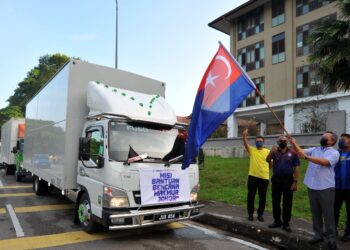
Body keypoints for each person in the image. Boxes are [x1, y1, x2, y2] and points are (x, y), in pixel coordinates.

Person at [289, 131, 339, 250]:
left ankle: (331, 238)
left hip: (326, 187)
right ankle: (318, 235)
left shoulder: (334, 153)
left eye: (324, 137)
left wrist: (306, 157)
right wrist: (294, 143)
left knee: (328, 215)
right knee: (315, 213)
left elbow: (324, 162)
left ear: (331, 141)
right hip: (312, 186)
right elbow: (300, 152)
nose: (322, 137)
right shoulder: (316, 149)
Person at [266, 135, 300, 232]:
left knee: (287, 201)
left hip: (288, 179)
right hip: (276, 179)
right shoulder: (274, 151)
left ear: (287, 142)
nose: (283, 142)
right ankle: (277, 221)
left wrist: (295, 182)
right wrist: (271, 152)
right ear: (278, 142)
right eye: (281, 141)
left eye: (284, 141)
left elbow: (296, 168)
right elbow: (267, 160)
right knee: (275, 200)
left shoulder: (293, 152)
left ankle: (286, 223)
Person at [242, 128, 270, 222]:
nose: (259, 143)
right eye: (257, 141)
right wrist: (244, 136)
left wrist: (266, 171)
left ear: (263, 142)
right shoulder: (252, 150)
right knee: (251, 196)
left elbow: (271, 164)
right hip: (253, 177)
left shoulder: (268, 151)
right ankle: (250, 214)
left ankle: (260, 214)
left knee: (262, 198)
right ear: (255, 143)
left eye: (260, 141)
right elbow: (246, 145)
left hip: (264, 178)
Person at [334, 133, 350, 242]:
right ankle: (332, 230)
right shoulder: (337, 153)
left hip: (349, 189)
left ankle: (348, 233)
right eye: (340, 139)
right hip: (337, 187)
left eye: (343, 139)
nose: (341, 141)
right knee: (334, 209)